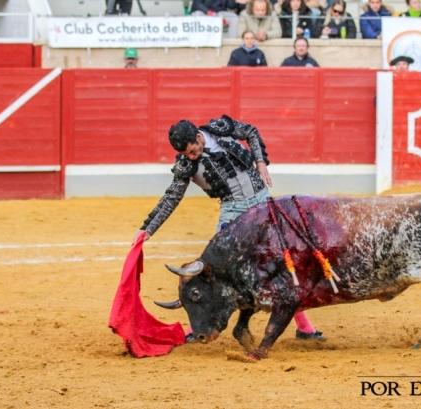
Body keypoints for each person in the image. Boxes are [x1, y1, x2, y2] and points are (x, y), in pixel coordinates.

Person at [135, 116, 324, 342]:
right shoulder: (186, 164)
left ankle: (304, 327)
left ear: (198, 136)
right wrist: (148, 228)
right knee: (213, 271)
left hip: (262, 204)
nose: (191, 157)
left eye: (193, 151)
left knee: (283, 265)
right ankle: (195, 327)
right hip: (232, 213)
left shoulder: (219, 129)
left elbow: (251, 132)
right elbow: (171, 198)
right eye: (186, 155)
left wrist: (261, 162)